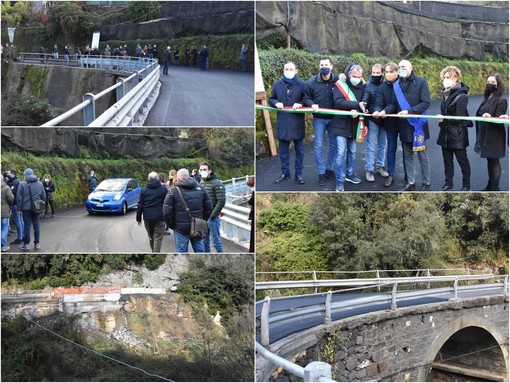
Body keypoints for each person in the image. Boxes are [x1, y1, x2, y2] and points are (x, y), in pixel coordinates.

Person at [395, 60, 431, 191]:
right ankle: (411, 182)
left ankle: (427, 183)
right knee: (407, 155)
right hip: (404, 125)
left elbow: (426, 103)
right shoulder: (396, 85)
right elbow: (393, 105)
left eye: (403, 67)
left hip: (418, 125)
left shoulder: (421, 82)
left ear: (411, 68)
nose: (400, 69)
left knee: (422, 156)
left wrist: (410, 111)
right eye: (399, 67)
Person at [302, 57, 339, 186]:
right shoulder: (311, 83)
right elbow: (306, 98)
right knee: (318, 146)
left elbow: (346, 93)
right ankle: (321, 173)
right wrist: (312, 104)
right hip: (319, 119)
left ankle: (329, 169)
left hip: (334, 118)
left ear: (331, 66)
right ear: (319, 66)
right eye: (322, 64)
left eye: (326, 64)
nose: (324, 67)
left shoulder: (338, 81)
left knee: (334, 145)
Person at [268, 61, 306, 184]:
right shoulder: (277, 84)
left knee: (299, 151)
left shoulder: (302, 84)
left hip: (297, 123)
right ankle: (285, 173)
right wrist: (275, 103)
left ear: (296, 71)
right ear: (283, 70)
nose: (288, 71)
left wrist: (300, 103)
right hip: (283, 123)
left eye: (291, 69)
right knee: (283, 152)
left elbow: (307, 99)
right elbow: (271, 98)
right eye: (286, 69)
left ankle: (298, 174)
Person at [436, 66, 472, 191]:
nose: (445, 80)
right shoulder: (446, 93)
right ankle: (448, 185)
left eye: (448, 77)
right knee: (447, 162)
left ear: (456, 78)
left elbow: (460, 118)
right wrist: (442, 121)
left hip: (458, 134)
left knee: (462, 161)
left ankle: (466, 186)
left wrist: (443, 119)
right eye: (444, 77)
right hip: (445, 133)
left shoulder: (462, 96)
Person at [331, 64, 366, 191]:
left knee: (352, 152)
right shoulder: (339, 85)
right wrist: (356, 105)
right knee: (340, 153)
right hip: (340, 124)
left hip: (354, 125)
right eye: (354, 76)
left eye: (359, 76)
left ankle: (350, 174)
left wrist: (363, 118)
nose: (356, 78)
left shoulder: (363, 87)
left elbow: (365, 104)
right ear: (348, 74)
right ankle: (340, 180)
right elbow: (338, 102)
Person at [163, 168, 212, 253]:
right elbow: (209, 207)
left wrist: (172, 225)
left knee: (182, 252)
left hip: (180, 228)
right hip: (197, 225)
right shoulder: (201, 188)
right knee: (200, 250)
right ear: (189, 176)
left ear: (177, 178)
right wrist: (202, 220)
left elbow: (166, 212)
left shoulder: (173, 191)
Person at [475, 74, 508, 191]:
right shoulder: (487, 97)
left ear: (498, 85)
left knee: (494, 161)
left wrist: (489, 116)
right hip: (486, 135)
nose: (490, 84)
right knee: (490, 160)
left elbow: (499, 119)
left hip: (495, 136)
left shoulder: (502, 100)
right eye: (488, 81)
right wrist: (483, 115)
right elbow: (479, 113)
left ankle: (495, 188)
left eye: (493, 82)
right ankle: (490, 185)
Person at [373, 62, 403, 188]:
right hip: (390, 123)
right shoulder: (381, 88)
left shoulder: (402, 84)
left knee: (407, 151)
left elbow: (395, 104)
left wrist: (385, 111)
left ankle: (409, 176)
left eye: (391, 71)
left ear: (397, 72)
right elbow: (378, 102)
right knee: (391, 149)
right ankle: (390, 175)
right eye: (387, 72)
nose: (388, 74)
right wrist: (377, 110)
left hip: (404, 122)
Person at [362, 63, 389, 182]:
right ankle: (369, 169)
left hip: (386, 119)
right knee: (371, 145)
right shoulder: (368, 85)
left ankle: (380, 166)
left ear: (382, 73)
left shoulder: (387, 84)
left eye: (378, 73)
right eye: (373, 73)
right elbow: (365, 98)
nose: (375, 75)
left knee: (383, 144)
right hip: (373, 119)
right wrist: (363, 105)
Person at [136, 172, 168, 253]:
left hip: (148, 218)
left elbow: (140, 205)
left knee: (151, 237)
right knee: (158, 238)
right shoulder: (164, 190)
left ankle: (154, 252)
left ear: (148, 179)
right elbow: (167, 204)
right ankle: (155, 252)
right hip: (160, 217)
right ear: (158, 179)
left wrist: (138, 218)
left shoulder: (144, 190)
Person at [199, 162, 226, 253]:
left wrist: (213, 215)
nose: (203, 171)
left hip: (212, 217)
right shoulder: (201, 183)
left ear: (209, 170)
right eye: (201, 169)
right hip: (203, 218)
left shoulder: (217, 183)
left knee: (216, 242)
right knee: (204, 242)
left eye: (205, 169)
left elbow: (221, 200)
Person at [16, 168, 45, 251]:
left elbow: (19, 198)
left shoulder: (22, 184)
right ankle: (37, 243)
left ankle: (26, 244)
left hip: (26, 208)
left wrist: (19, 209)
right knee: (36, 225)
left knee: (27, 226)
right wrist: (41, 204)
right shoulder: (39, 183)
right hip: (37, 208)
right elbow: (43, 196)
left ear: (25, 175)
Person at [6, 170, 24, 245]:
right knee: (21, 220)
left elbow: (12, 194)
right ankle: (23, 235)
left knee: (18, 221)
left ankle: (20, 238)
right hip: (19, 204)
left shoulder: (15, 182)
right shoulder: (18, 181)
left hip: (15, 204)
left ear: (13, 174)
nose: (8, 174)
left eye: (9, 173)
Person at [1, 177, 14, 252]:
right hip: (4, 211)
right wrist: (9, 205)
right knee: (4, 228)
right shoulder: (6, 187)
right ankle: (3, 246)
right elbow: (11, 198)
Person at [246, 176, 255, 253]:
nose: (251, 188)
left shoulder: (255, 191)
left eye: (251, 186)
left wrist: (248, 199)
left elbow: (252, 202)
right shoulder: (254, 192)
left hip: (254, 215)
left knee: (253, 236)